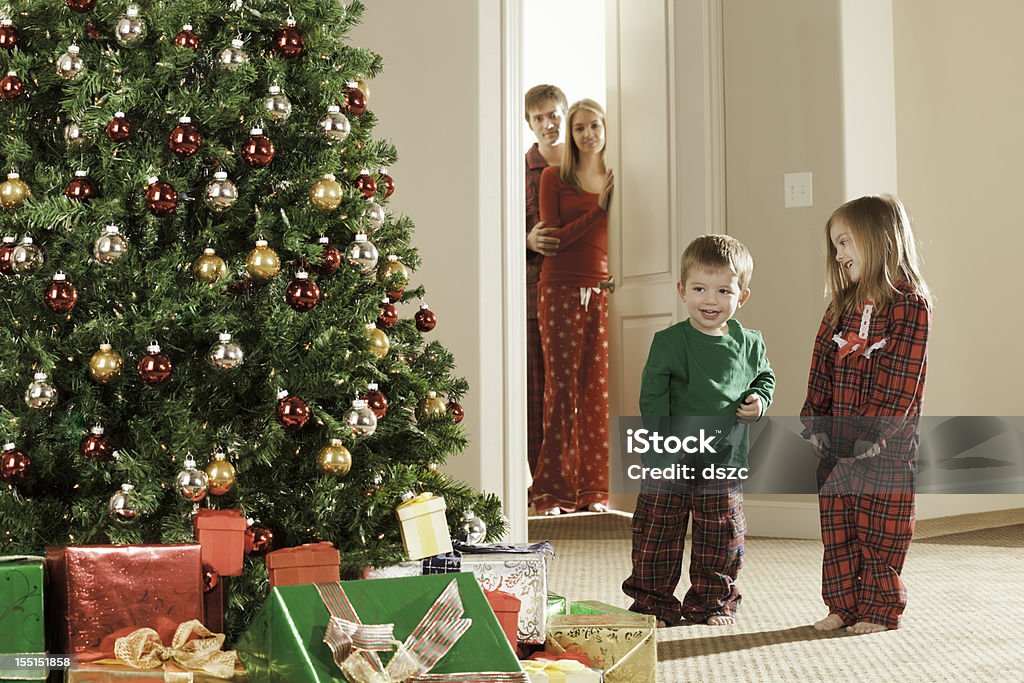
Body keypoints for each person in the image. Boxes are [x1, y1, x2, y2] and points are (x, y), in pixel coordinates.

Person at [622, 234, 775, 627]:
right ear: (682, 291)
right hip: (669, 457)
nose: (710, 299)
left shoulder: (750, 343)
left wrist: (759, 400)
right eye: (700, 288)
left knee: (721, 535)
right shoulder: (669, 343)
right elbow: (652, 397)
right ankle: (653, 601)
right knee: (657, 532)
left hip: (723, 458)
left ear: (741, 297)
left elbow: (765, 379)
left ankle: (711, 601)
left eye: (723, 290)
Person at [801, 194, 931, 635]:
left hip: (886, 449)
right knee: (838, 528)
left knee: (881, 531)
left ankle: (879, 608)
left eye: (844, 243)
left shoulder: (910, 306)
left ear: (877, 239)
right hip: (836, 443)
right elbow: (820, 366)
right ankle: (843, 605)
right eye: (834, 247)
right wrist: (814, 420)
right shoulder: (840, 307)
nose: (838, 256)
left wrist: (871, 435)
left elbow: (900, 381)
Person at [531, 99, 614, 515]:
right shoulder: (552, 177)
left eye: (594, 125)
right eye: (579, 128)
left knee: (596, 393)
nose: (587, 134)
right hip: (559, 288)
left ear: (605, 128)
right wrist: (598, 211)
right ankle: (553, 492)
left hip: (602, 290)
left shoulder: (617, 177)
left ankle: (594, 490)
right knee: (561, 393)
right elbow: (556, 240)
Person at [524, 84, 567, 476]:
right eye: (540, 118)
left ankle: (578, 483)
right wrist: (526, 239)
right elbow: (498, 231)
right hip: (533, 298)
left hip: (579, 292)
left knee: (574, 393)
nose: (548, 123)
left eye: (554, 114)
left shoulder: (585, 165)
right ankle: (542, 483)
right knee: (538, 396)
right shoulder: (520, 170)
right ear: (530, 123)